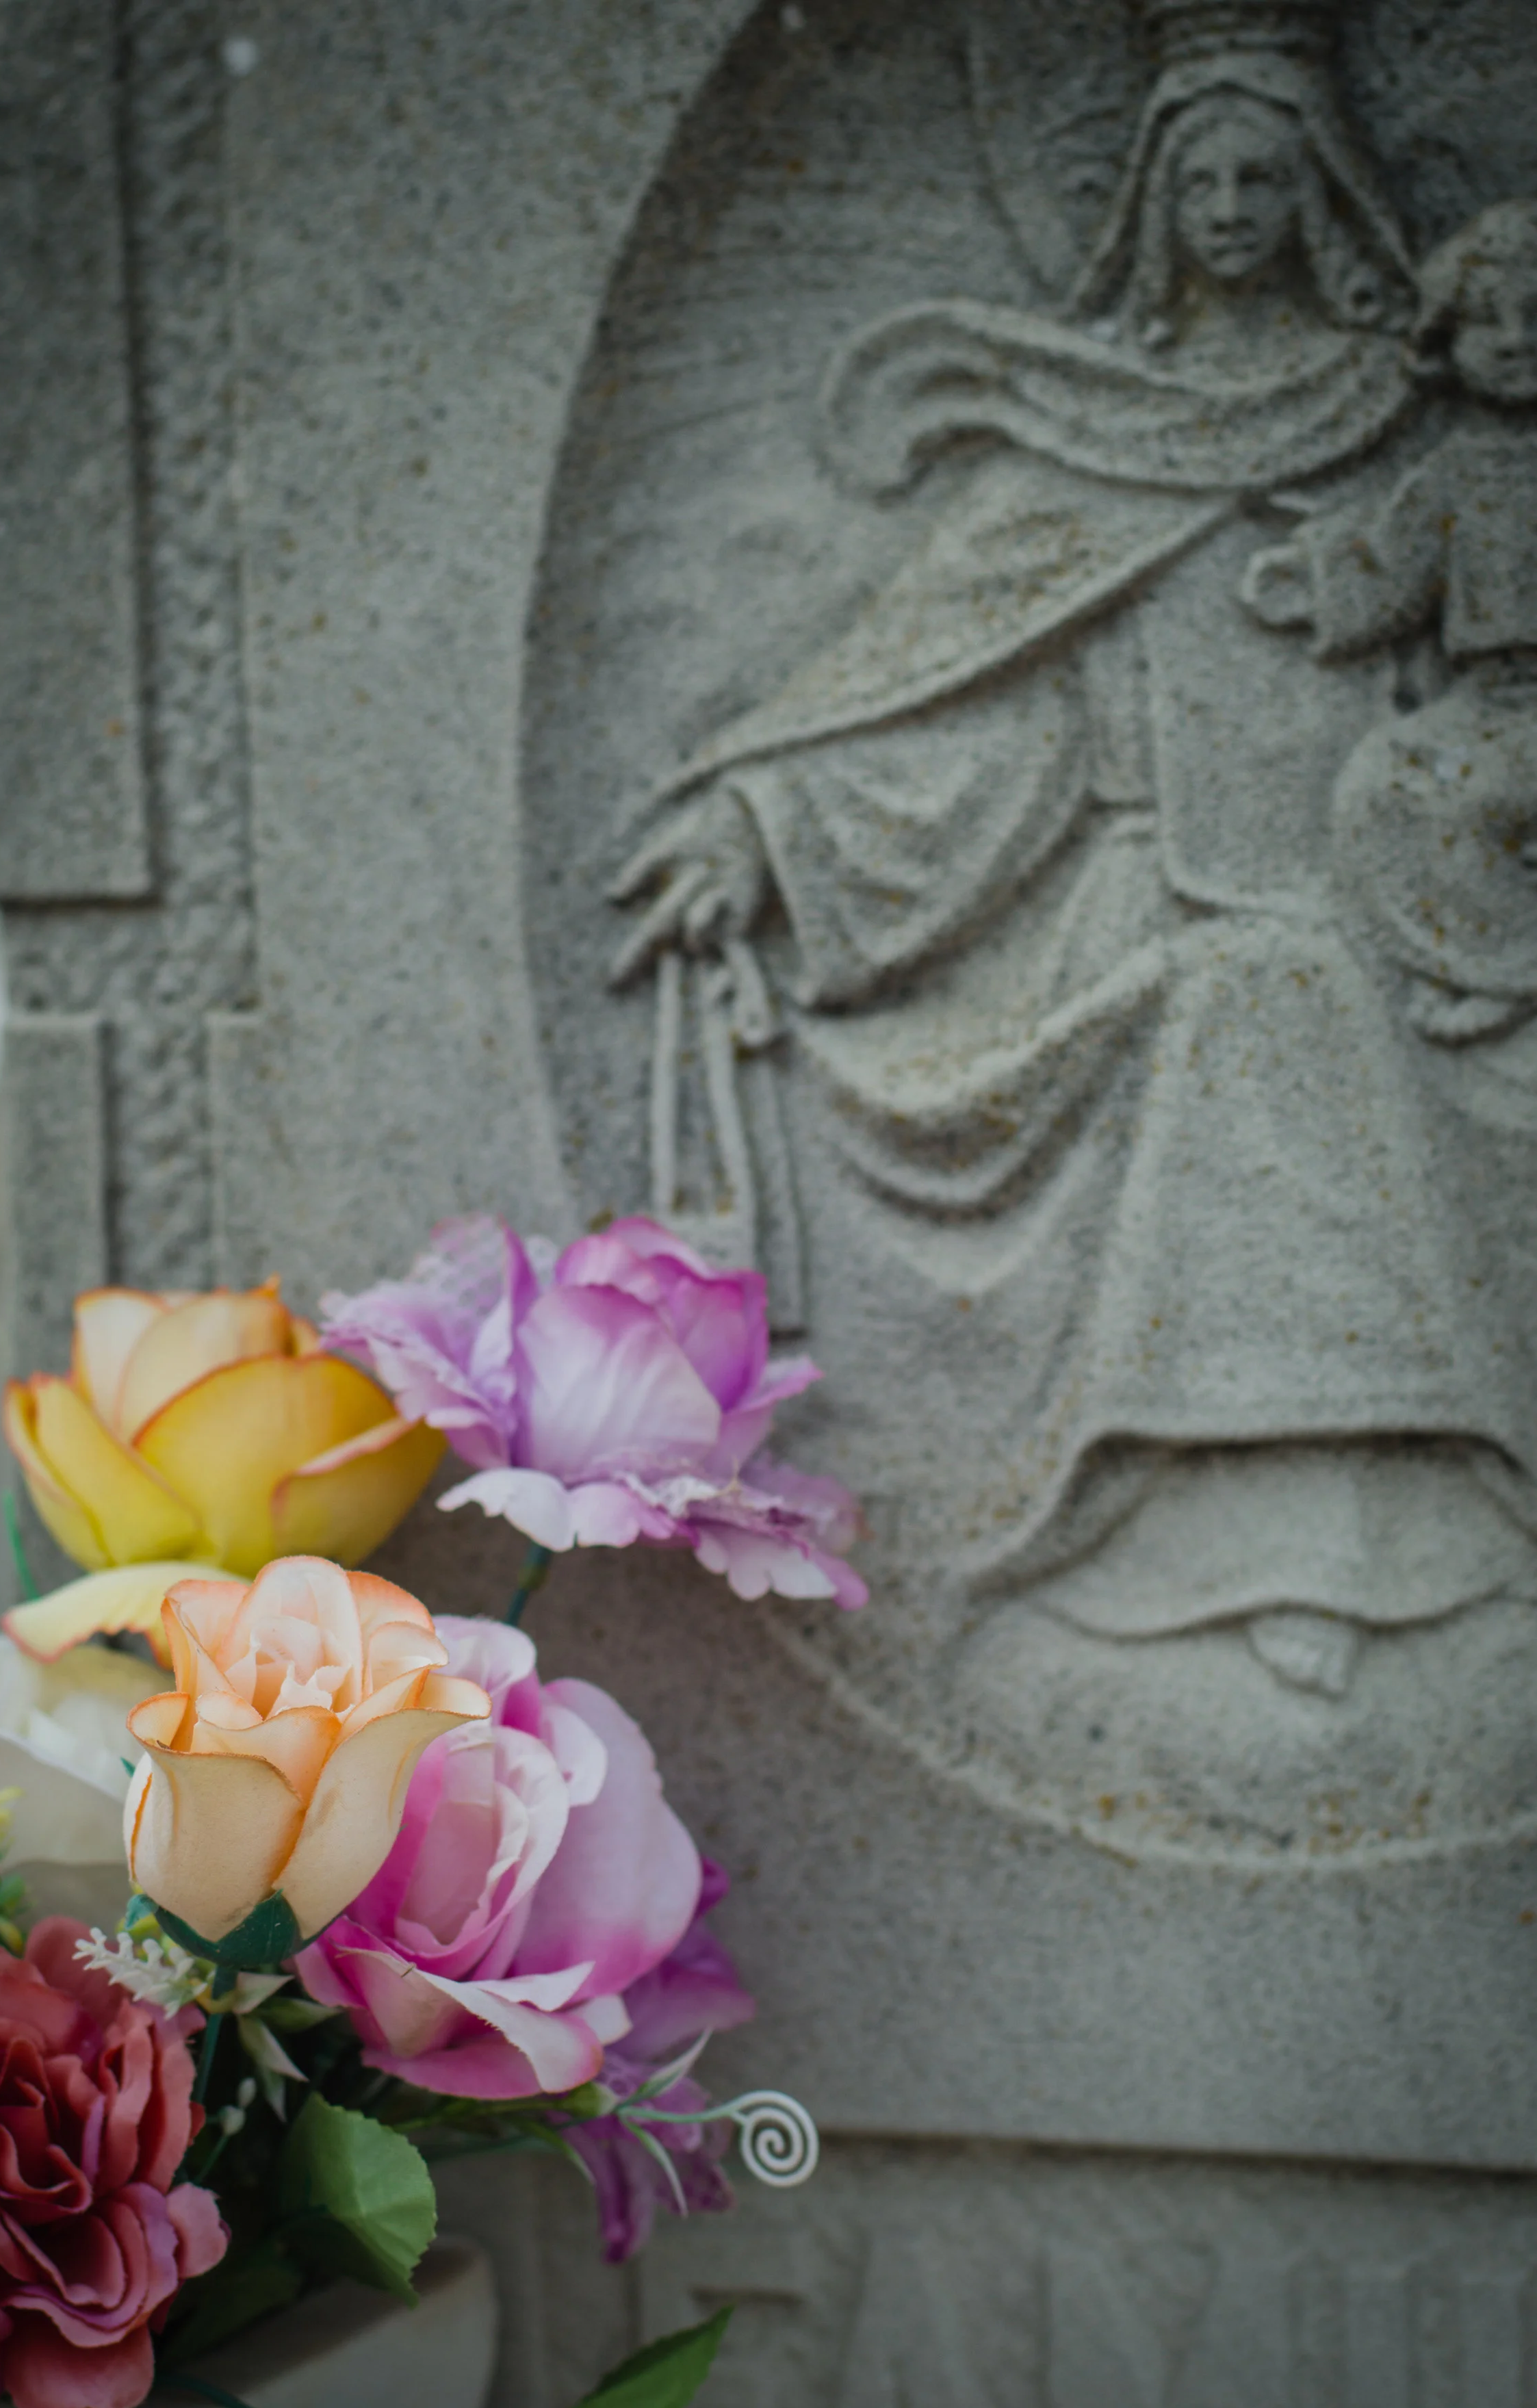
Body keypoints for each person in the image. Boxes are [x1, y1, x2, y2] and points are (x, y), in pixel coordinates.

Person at [606, 3, 1537, 1809]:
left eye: (1266, 168)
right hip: (1129, 903)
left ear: (1324, 188)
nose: (1232, 203)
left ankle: (1382, 1539)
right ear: (1144, 193)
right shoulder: (1090, 443)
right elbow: (990, 735)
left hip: (1404, 907)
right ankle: (1175, 1550)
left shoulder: (1413, 423)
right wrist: (768, 836)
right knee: (1231, 1006)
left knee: (1272, 1001)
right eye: (1198, 171)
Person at [1247, 200, 1537, 1045]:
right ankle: (1494, 962)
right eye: (1487, 322)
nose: (1515, 340)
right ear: (1446, 340)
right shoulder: (1448, 477)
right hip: (1489, 705)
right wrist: (1310, 582)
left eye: (1536, 317)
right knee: (1386, 785)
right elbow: (1389, 570)